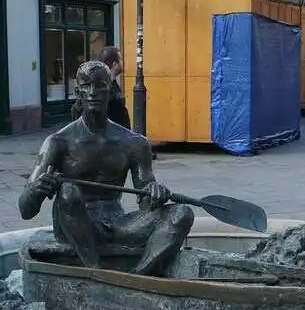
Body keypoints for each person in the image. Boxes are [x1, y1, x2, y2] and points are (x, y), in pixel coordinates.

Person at [21, 60, 193, 276]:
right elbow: (25, 210)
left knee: (182, 213)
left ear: (111, 91)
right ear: (77, 92)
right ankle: (97, 271)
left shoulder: (134, 143)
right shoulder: (58, 142)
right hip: (73, 224)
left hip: (117, 224)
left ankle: (139, 276)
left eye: (100, 85)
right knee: (68, 191)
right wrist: (37, 190)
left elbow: (146, 202)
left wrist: (154, 193)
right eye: (86, 86)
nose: (93, 92)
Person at [71, 46, 131, 129]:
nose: (123, 62)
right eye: (121, 60)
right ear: (115, 64)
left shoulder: (111, 86)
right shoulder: (108, 91)